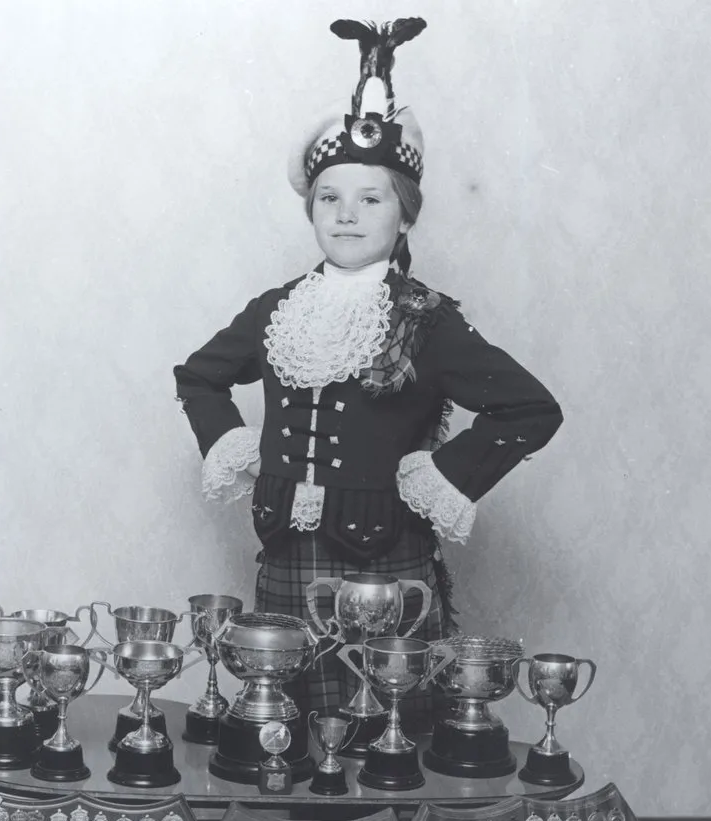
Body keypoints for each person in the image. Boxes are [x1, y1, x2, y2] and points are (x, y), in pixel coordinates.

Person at [174, 17, 562, 730]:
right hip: (287, 560)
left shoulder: (427, 317)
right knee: (281, 728)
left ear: (404, 217)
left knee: (385, 736)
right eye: (329, 198)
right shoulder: (277, 309)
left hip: (388, 567)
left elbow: (530, 409)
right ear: (311, 209)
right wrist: (238, 448)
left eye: (371, 198)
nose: (346, 214)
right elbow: (198, 376)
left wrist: (437, 474)